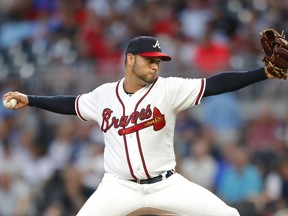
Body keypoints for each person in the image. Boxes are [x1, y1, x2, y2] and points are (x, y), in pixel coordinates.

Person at [2, 35, 285, 216]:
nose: (155, 66)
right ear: (129, 59)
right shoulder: (103, 95)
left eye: (158, 61)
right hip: (118, 186)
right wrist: (30, 99)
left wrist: (262, 73)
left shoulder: (169, 89)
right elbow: (70, 103)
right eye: (149, 60)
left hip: (166, 183)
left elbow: (215, 84)